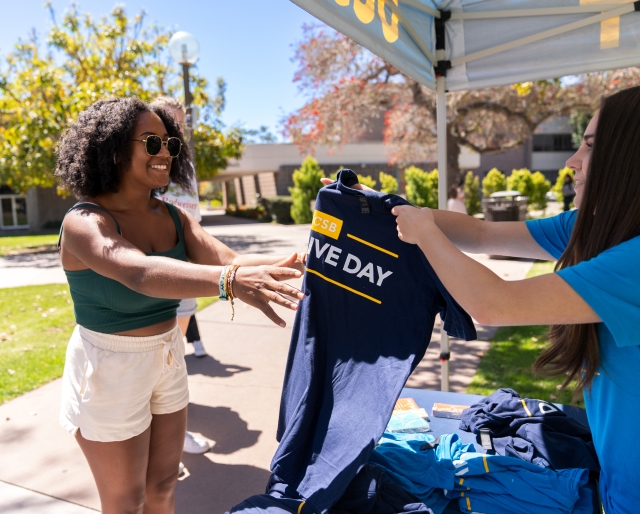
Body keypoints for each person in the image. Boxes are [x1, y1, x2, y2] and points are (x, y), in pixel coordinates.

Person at [389, 87, 640, 513]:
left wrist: (425, 234)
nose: (572, 161)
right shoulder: (596, 227)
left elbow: (495, 304)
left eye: (591, 147)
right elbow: (483, 234)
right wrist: (385, 211)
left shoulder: (632, 261)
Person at [55, 97, 306, 514]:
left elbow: (229, 261)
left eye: (170, 144)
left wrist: (306, 261)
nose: (165, 153)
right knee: (125, 500)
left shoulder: (173, 215)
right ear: (114, 149)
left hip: (167, 357)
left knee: (163, 487)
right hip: (108, 368)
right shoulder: (83, 222)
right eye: (151, 143)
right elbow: (138, 272)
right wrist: (229, 283)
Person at [150, 96, 209, 456]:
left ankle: (168, 431)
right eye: (172, 121)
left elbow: (192, 214)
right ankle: (163, 435)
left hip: (187, 265)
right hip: (160, 267)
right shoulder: (150, 158)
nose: (179, 129)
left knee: (173, 357)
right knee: (159, 359)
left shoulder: (183, 163)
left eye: (182, 123)